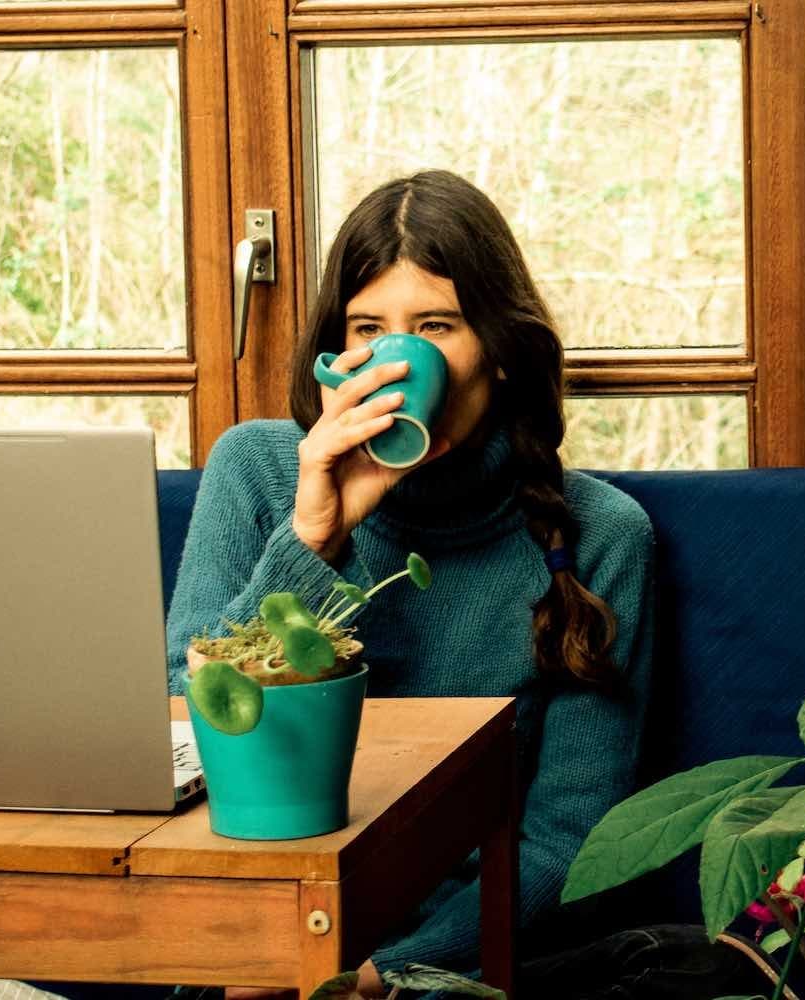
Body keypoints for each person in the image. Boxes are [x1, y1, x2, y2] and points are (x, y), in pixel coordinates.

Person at [164, 169, 655, 997]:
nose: (399, 358)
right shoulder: (255, 470)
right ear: (337, 354)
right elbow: (189, 724)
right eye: (368, 328)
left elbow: (572, 838)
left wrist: (376, 974)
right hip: (243, 947)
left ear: (499, 351)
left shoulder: (602, 535)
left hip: (447, 971)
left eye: (436, 324)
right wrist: (314, 538)